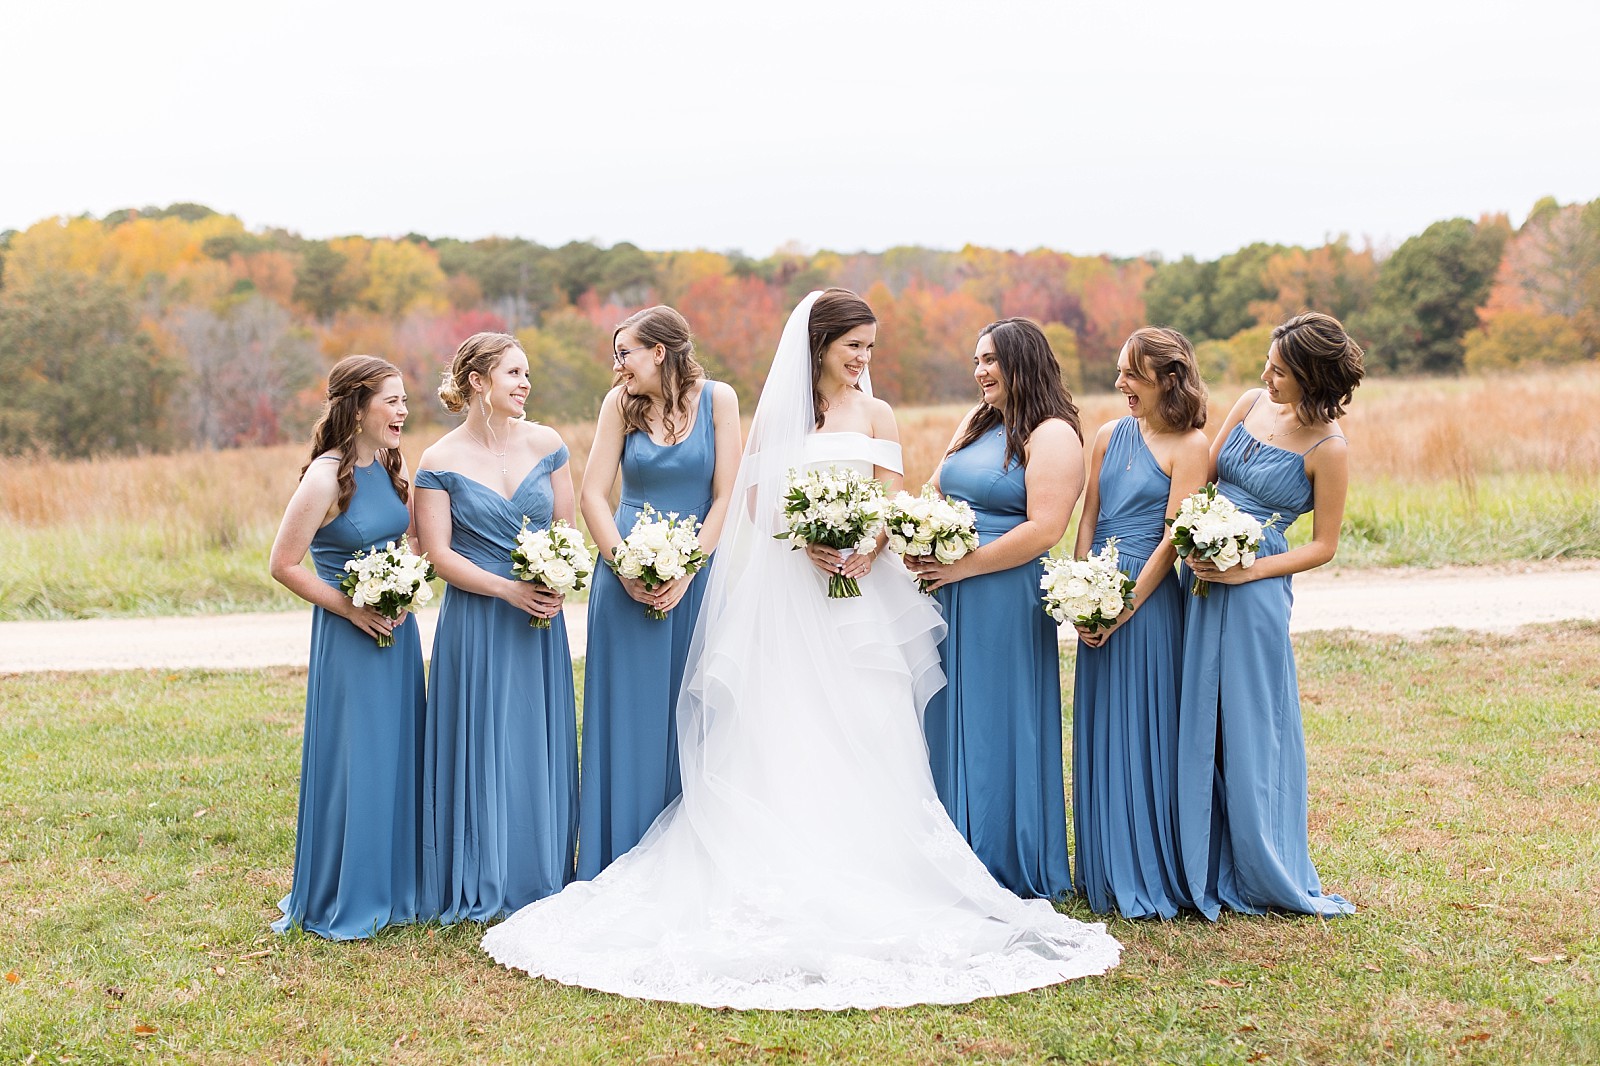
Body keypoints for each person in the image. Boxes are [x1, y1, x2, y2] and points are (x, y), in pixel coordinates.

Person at [481, 290, 1120, 1010]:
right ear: (820, 346)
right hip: (794, 599)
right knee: (785, 728)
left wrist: (864, 541)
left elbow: (892, 496)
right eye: (855, 348)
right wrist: (809, 536)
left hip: (859, 606)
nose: (863, 362)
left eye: (870, 350)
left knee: (868, 725)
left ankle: (876, 866)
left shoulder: (877, 415)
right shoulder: (776, 417)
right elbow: (752, 505)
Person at [1176, 311, 1364, 919]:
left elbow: (1324, 545)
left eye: (1280, 370)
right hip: (1201, 563)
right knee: (1198, 708)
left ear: (1311, 377)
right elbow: (1202, 478)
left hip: (1256, 584)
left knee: (1251, 719)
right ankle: (1196, 854)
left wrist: (1247, 570)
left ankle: (1261, 860)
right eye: (1268, 364)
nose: (1266, 376)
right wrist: (1191, 536)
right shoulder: (1250, 402)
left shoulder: (1329, 448)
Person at [906, 319, 1085, 901]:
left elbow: (1044, 529)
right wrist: (920, 535)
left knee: (992, 721)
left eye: (990, 360)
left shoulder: (1052, 433)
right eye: (976, 359)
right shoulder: (977, 421)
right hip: (945, 588)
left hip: (1002, 593)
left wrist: (962, 564)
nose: (979, 371)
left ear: (1022, 363)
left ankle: (998, 857)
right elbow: (934, 488)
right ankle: (943, 850)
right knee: (944, 713)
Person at [414, 332, 578, 923]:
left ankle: (541, 868)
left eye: (527, 372)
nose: (526, 383)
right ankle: (482, 872)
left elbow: (566, 527)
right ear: (478, 382)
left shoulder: (549, 443)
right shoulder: (438, 461)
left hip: (538, 620)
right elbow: (437, 554)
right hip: (479, 620)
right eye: (514, 373)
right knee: (482, 739)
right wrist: (508, 588)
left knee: (532, 737)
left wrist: (556, 576)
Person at [576, 306, 740, 879]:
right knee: (629, 714)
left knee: (693, 712)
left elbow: (725, 497)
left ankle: (692, 858)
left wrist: (690, 567)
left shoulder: (720, 400)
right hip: (625, 578)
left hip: (697, 579)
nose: (617, 365)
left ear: (659, 353)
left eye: (625, 353)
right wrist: (622, 566)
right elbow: (593, 496)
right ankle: (619, 855)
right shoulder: (617, 404)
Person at [267, 355, 425, 938]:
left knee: (398, 751)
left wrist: (404, 581)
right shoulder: (324, 476)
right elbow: (283, 564)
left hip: (396, 633)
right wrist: (352, 607)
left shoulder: (387, 462)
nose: (403, 411)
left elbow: (406, 535)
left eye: (405, 400)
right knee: (357, 758)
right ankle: (349, 891)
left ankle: (396, 884)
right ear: (357, 408)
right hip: (349, 635)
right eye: (392, 400)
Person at [1070, 327, 1209, 918]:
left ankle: (1148, 866)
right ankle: (1101, 866)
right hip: (1097, 586)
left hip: (1149, 602)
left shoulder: (1192, 444)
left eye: (1134, 374)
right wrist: (1080, 591)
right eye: (1121, 371)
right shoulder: (1106, 435)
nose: (1121, 383)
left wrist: (1124, 606)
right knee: (1102, 727)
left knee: (1145, 729)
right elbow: (1090, 516)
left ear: (1168, 380)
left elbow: (1174, 540)